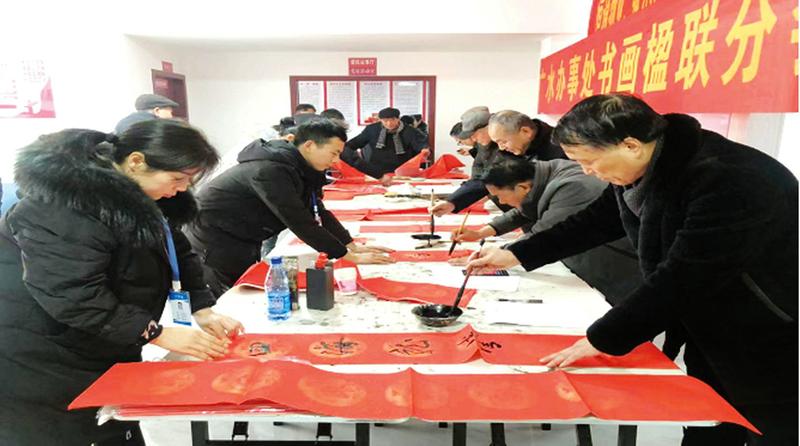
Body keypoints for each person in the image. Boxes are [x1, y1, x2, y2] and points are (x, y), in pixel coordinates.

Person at [467, 94, 798, 445]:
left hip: (771, 326)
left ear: (630, 145)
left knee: (770, 424)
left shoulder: (729, 178)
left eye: (589, 161)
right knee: (710, 419)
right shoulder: (646, 169)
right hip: (711, 321)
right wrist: (515, 254)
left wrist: (603, 337)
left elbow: (686, 276)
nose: (587, 172)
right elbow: (592, 223)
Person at [0, 119, 244, 445]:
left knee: (116, 424)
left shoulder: (142, 196)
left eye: (189, 180)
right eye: (177, 178)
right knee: (70, 431)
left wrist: (202, 308)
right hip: (42, 350)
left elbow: (176, 250)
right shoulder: (62, 207)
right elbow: (72, 294)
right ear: (136, 161)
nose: (183, 189)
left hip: (100, 336)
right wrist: (155, 333)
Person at [186, 118, 394, 298]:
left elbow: (317, 211)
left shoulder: (298, 167)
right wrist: (345, 255)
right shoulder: (270, 169)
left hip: (242, 236)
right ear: (310, 145)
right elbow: (299, 220)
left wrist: (350, 245)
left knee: (246, 289)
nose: (336, 161)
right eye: (333, 153)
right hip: (214, 241)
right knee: (228, 299)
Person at [454, 155, 642, 304]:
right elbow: (524, 209)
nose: (587, 171)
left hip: (618, 263)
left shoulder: (573, 185)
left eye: (588, 161)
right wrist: (482, 233)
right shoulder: (541, 175)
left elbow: (545, 231)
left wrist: (506, 254)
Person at [431, 106, 506, 216]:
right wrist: (452, 202)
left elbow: (491, 179)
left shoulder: (507, 148)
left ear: (490, 127)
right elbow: (480, 178)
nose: (474, 139)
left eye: (474, 134)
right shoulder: (483, 146)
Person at [340, 107, 429, 185]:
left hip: (401, 171)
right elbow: (354, 143)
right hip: (377, 171)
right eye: (385, 121)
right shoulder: (372, 129)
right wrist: (341, 149)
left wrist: (424, 149)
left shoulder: (410, 131)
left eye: (393, 120)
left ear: (398, 119)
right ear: (380, 120)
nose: (389, 123)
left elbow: (420, 144)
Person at [487, 110, 567, 161]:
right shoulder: (511, 152)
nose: (501, 148)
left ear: (526, 131)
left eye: (504, 142)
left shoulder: (561, 149)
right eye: (497, 143)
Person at [114, 93, 179, 134]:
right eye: (170, 112)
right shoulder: (157, 127)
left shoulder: (122, 123)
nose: (171, 116)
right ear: (157, 111)